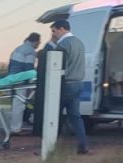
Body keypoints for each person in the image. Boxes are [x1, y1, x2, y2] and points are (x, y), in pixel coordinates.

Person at [51, 19, 91, 155]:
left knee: (54, 116)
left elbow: (55, 66)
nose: (53, 34)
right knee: (75, 116)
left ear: (61, 29)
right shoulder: (79, 42)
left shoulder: (62, 45)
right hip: (79, 82)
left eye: (54, 31)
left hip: (66, 83)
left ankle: (50, 147)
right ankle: (83, 144)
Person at [8, 33, 41, 132]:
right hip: (21, 80)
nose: (39, 45)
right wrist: (31, 83)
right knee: (19, 104)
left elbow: (10, 66)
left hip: (13, 78)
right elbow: (29, 69)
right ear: (35, 41)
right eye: (39, 42)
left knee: (16, 103)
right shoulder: (30, 51)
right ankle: (16, 128)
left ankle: (14, 127)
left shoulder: (18, 48)